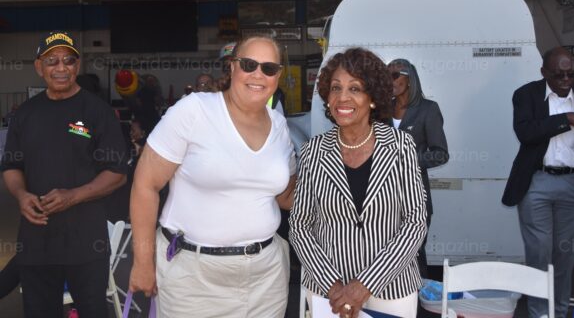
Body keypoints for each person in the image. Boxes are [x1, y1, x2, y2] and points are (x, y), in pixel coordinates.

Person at [128, 36, 297, 317]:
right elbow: (145, 185)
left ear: (278, 75)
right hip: (194, 279)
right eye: (249, 64)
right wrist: (143, 262)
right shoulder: (194, 110)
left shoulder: (279, 125)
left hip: (265, 277)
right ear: (232, 67)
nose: (258, 74)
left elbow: (286, 196)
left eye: (269, 68)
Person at [289, 48, 427, 318]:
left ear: (372, 98)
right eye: (335, 88)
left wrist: (365, 284)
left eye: (355, 88)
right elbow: (300, 226)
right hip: (328, 294)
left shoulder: (401, 146)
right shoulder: (312, 152)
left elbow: (415, 222)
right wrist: (333, 286)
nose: (342, 97)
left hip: (392, 289)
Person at [0, 31, 128, 318]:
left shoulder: (97, 112)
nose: (61, 68)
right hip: (36, 240)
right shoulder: (25, 114)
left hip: (85, 242)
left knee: (92, 312)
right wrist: (21, 195)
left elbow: (118, 173)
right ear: (39, 67)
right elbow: (11, 166)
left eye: (68, 60)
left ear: (77, 66)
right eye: (52, 61)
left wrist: (74, 196)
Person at [502, 47, 574, 318]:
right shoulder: (527, 95)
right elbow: (526, 132)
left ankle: (557, 312)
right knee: (539, 254)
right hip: (537, 183)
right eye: (559, 75)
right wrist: (566, 119)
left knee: (565, 257)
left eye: (570, 74)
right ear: (544, 72)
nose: (566, 80)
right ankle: (538, 313)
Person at [387, 59, 448, 278]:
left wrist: (406, 159)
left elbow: (440, 154)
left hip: (414, 196)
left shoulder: (427, 109)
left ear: (409, 78)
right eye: (387, 75)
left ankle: (416, 304)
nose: (390, 80)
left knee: (413, 253)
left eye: (395, 75)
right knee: (385, 255)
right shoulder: (381, 110)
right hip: (383, 198)